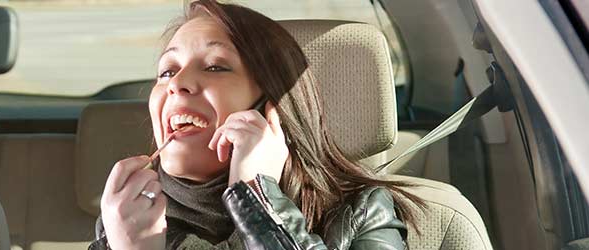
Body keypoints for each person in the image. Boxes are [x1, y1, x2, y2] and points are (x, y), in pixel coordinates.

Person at [89, 0, 424, 249]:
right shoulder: (126, 223)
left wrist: (258, 203)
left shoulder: (362, 214)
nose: (177, 83)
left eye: (216, 66)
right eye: (167, 70)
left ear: (272, 107)